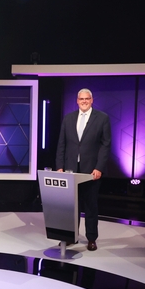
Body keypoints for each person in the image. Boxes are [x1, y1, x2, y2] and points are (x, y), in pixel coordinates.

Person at [55, 88, 112, 251]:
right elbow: (62, 144)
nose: (84, 101)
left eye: (87, 99)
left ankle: (91, 239)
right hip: (71, 171)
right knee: (71, 207)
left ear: (92, 100)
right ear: (77, 100)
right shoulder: (68, 118)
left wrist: (99, 167)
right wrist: (60, 166)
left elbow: (105, 145)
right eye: (81, 99)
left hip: (91, 171)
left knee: (90, 206)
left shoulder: (102, 118)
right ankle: (70, 237)